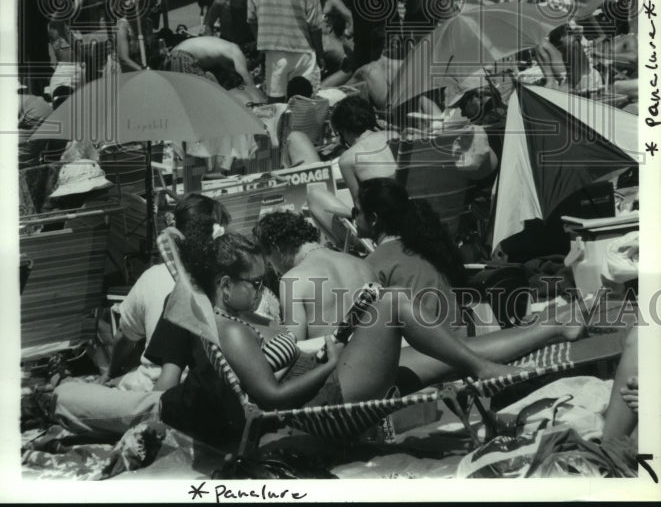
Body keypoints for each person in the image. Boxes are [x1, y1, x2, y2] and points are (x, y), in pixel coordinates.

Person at [151, 229, 583, 446]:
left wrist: (332, 344)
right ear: (225, 286)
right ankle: (486, 371)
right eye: (255, 282)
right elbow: (271, 399)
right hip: (320, 409)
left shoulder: (240, 320)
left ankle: (554, 327)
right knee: (393, 302)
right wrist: (332, 362)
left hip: (327, 384)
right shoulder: (230, 330)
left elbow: (280, 367)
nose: (263, 288)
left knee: (448, 352)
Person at [50, 192, 231, 437]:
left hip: (164, 397)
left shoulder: (175, 290)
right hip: (201, 395)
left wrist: (111, 374)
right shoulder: (232, 286)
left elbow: (159, 380)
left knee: (65, 396)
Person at [356, 179, 468, 327]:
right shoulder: (427, 247)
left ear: (374, 219)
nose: (354, 218)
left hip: (421, 347)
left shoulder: (373, 265)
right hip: (456, 340)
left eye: (356, 212)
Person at [254, 212, 369, 340]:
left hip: (333, 358)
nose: (275, 270)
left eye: (269, 262)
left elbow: (296, 351)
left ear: (275, 248)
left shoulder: (294, 281)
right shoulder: (362, 265)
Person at [247, 0, 325, 102]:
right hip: (303, 52)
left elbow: (252, 18)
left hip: (273, 52)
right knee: (305, 102)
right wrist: (320, 53)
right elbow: (314, 25)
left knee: (276, 102)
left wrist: (263, 45)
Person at [330, 95, 397, 205]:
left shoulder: (347, 159)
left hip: (382, 218)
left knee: (316, 197)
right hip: (407, 207)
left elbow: (359, 206)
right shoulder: (394, 136)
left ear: (343, 129)